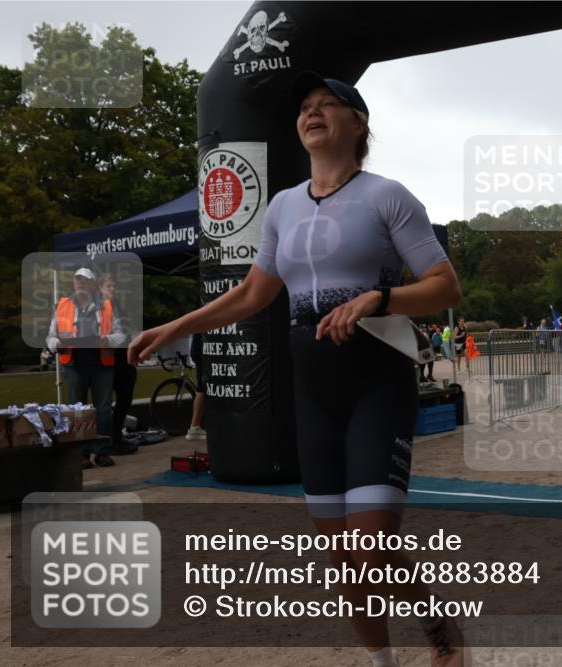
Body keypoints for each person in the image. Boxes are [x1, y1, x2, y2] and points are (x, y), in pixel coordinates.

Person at [128, 73, 465, 667]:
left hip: (375, 380)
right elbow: (253, 294)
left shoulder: (388, 195)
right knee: (340, 559)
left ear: (358, 124)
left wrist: (377, 299)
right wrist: (177, 326)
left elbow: (444, 287)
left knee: (372, 546)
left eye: (326, 105)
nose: (312, 113)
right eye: (304, 108)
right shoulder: (282, 205)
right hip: (314, 390)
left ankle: (440, 629)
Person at [46, 267, 126, 468]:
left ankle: (102, 452)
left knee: (104, 410)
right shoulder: (62, 305)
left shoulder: (107, 305)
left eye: (84, 280)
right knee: (76, 411)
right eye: (77, 279)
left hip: (102, 365)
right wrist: (57, 344)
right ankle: (80, 454)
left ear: (92, 284)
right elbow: (50, 336)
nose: (80, 283)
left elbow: (121, 335)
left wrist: (105, 340)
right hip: (74, 365)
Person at [99, 273, 138, 455]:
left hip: (123, 358)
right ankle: (109, 442)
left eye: (113, 286)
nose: (112, 290)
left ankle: (116, 438)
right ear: (100, 288)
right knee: (106, 403)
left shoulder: (118, 305)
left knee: (125, 398)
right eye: (108, 286)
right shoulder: (97, 307)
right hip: (108, 360)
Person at [187, 332, 207, 440]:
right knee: (202, 389)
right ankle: (194, 427)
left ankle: (195, 427)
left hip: (198, 350)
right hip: (203, 351)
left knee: (202, 389)